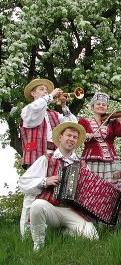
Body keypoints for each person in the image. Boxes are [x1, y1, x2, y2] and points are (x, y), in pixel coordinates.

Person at [18, 122, 98, 251]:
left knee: (92, 237)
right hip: (51, 208)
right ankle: (38, 245)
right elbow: (23, 182)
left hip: (72, 210)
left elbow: (90, 190)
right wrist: (45, 181)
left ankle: (64, 234)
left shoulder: (82, 165)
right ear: (60, 137)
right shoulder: (46, 159)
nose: (71, 139)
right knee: (37, 204)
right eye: (68, 135)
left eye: (74, 137)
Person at [19, 78, 77, 237]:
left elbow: (72, 124)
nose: (45, 91)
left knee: (52, 192)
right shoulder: (28, 110)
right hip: (36, 156)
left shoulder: (54, 114)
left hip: (52, 157)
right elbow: (35, 111)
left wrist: (64, 106)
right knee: (32, 195)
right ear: (33, 93)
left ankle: (47, 232)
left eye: (46, 89)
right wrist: (50, 96)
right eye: (42, 89)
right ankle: (26, 236)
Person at [78, 92, 121, 222]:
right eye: (98, 104)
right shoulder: (84, 122)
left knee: (115, 189)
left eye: (104, 104)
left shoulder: (112, 122)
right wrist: (85, 135)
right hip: (91, 161)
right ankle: (92, 222)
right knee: (93, 190)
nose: (101, 106)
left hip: (111, 161)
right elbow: (78, 135)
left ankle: (115, 222)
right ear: (92, 107)